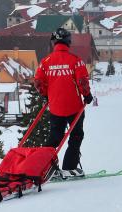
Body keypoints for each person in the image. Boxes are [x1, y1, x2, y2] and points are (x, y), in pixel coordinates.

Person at [34, 28, 93, 178]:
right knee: (76, 136)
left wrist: (46, 95)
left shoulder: (45, 62)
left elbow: (39, 82)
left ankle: (44, 168)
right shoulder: (75, 60)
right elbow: (82, 81)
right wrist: (87, 95)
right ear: (68, 41)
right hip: (74, 107)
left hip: (55, 107)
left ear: (54, 42)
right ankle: (69, 167)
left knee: (55, 137)